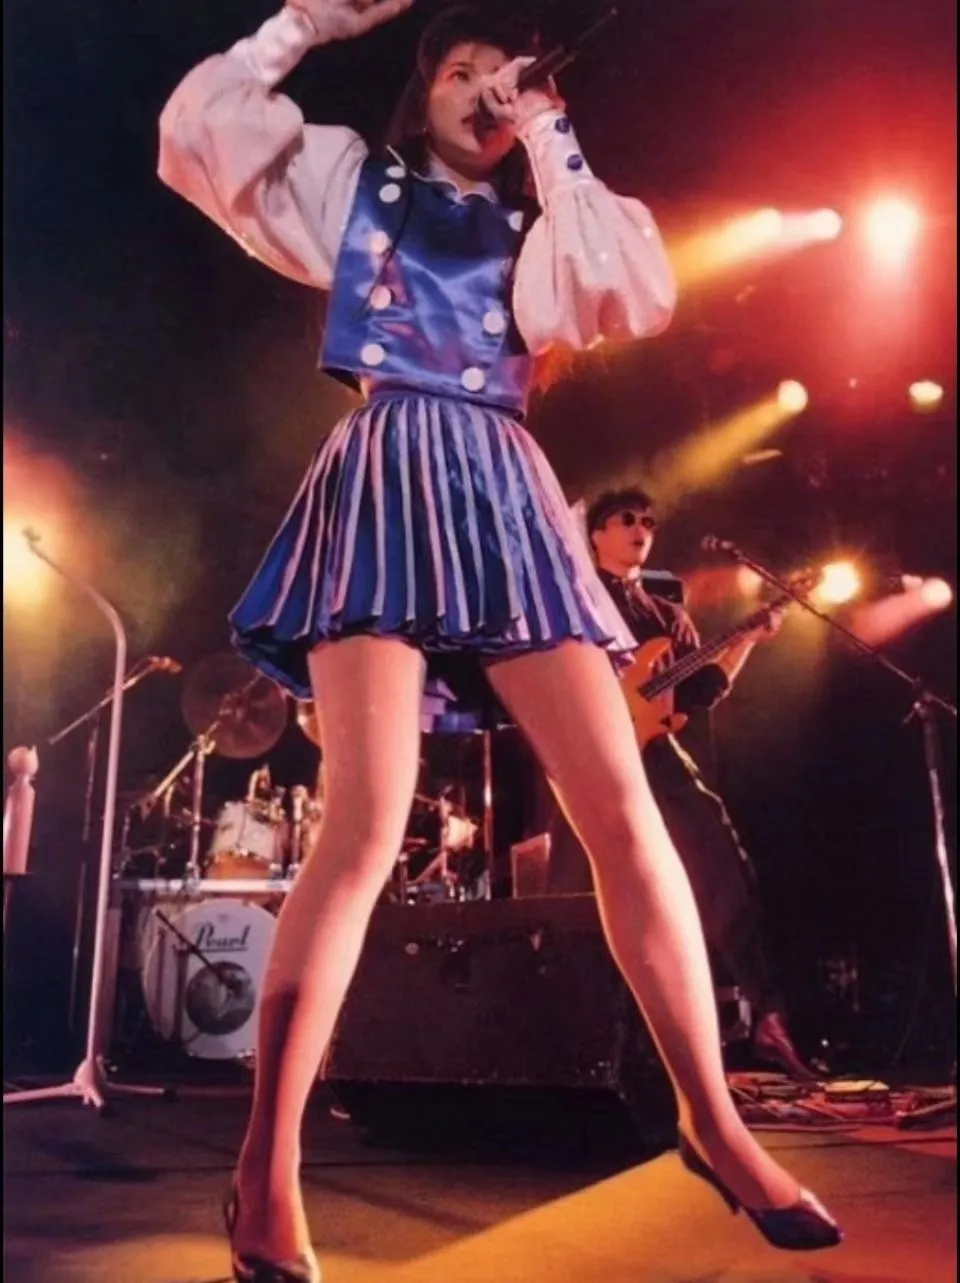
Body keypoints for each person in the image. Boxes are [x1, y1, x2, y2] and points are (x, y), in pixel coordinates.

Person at [158, 3, 841, 1277]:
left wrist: (551, 135)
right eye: (458, 72)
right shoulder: (355, 185)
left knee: (622, 805)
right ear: (420, 96)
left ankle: (711, 1111)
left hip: (506, 492)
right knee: (366, 820)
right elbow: (202, 132)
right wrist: (302, 21)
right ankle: (265, 1168)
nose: (481, 88)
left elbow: (632, 291)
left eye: (501, 74)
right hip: (387, 471)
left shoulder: (540, 224)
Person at [541, 486, 816, 1081]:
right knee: (574, 887)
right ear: (597, 534)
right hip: (590, 750)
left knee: (719, 857)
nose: (640, 528)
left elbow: (701, 693)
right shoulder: (576, 598)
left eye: (648, 521)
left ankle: (767, 1012)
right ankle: (567, 1042)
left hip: (655, 752)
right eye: (626, 519)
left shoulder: (668, 617)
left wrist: (745, 641)